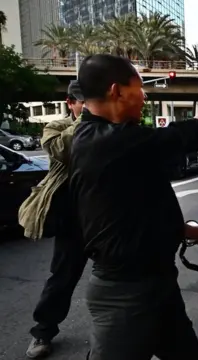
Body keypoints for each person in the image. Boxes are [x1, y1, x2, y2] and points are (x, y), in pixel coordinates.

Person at [69, 54, 198, 360]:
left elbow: (127, 207)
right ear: (116, 91)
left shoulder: (112, 141)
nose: (144, 96)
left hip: (157, 286)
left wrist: (180, 229)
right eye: (139, 88)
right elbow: (192, 133)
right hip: (125, 297)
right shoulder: (106, 141)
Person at [18, 81, 86, 359]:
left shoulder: (111, 126)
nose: (90, 105)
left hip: (107, 216)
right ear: (71, 103)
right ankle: (43, 332)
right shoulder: (56, 128)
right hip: (73, 219)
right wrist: (87, 119)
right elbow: (62, 151)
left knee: (128, 273)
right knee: (62, 277)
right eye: (84, 101)